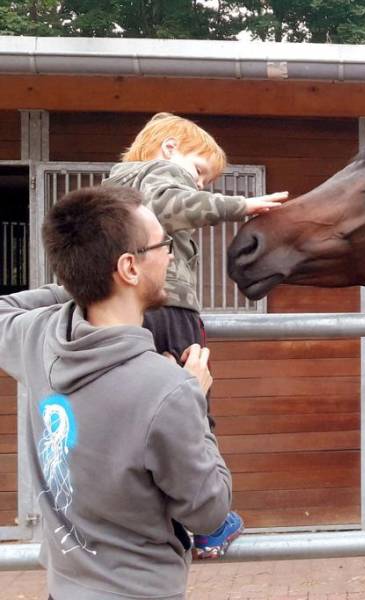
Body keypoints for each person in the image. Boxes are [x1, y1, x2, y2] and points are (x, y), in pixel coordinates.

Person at [0, 186, 232, 599]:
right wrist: (196, 400)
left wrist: (79, 287)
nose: (172, 255)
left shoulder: (36, 337)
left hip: (65, 588)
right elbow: (209, 512)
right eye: (163, 244)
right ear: (129, 267)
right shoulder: (169, 390)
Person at [102, 112, 287, 558]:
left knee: (136, 418)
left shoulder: (112, 188)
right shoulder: (160, 176)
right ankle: (209, 520)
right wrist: (242, 206)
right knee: (190, 409)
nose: (200, 185)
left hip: (118, 313)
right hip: (168, 309)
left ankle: (152, 516)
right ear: (168, 149)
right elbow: (173, 204)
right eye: (200, 172)